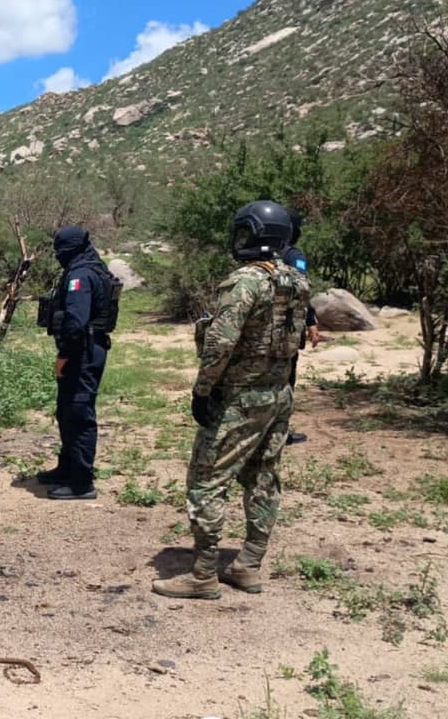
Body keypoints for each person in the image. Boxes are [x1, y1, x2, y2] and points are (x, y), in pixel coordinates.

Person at [152, 200, 310, 600]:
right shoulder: (296, 281)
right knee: (263, 477)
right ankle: (249, 564)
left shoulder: (246, 281)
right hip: (278, 394)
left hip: (240, 397)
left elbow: (221, 343)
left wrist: (202, 390)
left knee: (207, 480)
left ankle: (203, 574)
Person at [35, 226, 122, 500]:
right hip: (84, 348)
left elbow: (76, 322)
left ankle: (81, 482)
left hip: (82, 350)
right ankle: (68, 468)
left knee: (79, 413)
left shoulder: (81, 274)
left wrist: (64, 357)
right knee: (66, 410)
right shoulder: (89, 267)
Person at [282, 210, 320, 445]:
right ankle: (280, 432)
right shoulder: (293, 255)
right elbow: (301, 291)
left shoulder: (258, 256)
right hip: (287, 333)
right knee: (286, 382)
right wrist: (311, 321)